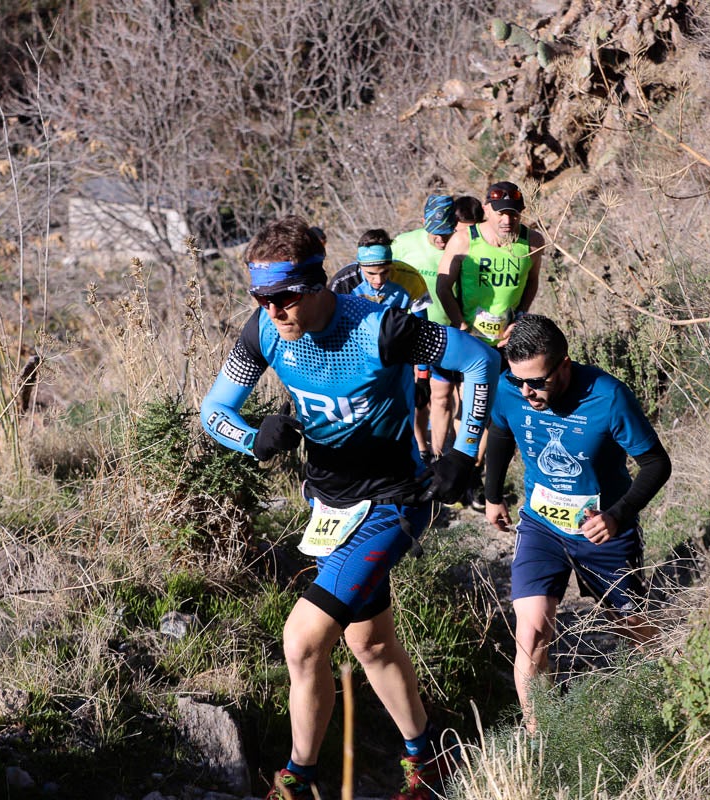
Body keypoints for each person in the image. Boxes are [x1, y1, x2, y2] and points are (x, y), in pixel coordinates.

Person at [200, 216, 499, 800]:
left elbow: (480, 362)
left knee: (304, 640)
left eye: (284, 297)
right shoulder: (262, 330)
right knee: (371, 644)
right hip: (329, 507)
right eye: (260, 297)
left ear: (316, 287)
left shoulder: (381, 327)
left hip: (392, 503)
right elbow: (215, 410)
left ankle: (297, 780)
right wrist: (252, 437)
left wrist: (463, 453)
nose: (273, 310)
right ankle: (429, 757)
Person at [482, 314, 671, 728]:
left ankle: (668, 704)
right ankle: (540, 737)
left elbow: (657, 463)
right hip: (540, 524)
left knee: (634, 629)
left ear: (564, 364)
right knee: (530, 637)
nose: (528, 393)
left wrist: (618, 515)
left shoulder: (607, 396)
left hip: (603, 529)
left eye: (539, 382)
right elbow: (500, 433)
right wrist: (493, 495)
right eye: (519, 382)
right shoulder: (510, 387)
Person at [437, 181, 545, 510]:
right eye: (500, 214)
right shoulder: (464, 240)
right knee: (469, 406)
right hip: (470, 339)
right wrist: (461, 324)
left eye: (513, 214)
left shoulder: (533, 242)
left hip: (506, 339)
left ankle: (474, 472)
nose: (507, 220)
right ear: (486, 210)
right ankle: (456, 469)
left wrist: (521, 318)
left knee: (492, 410)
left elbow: (533, 281)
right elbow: (444, 286)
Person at [330, 230, 435, 452]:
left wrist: (423, 376)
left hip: (397, 360)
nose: (378, 280)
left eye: (385, 272)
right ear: (360, 266)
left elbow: (421, 330)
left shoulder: (410, 277)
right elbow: (329, 332)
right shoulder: (343, 282)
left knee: (401, 416)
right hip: (356, 362)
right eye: (371, 274)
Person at [392, 196, 458, 461]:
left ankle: (437, 457)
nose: (441, 241)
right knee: (415, 397)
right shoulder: (403, 244)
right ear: (423, 224)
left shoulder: (462, 244)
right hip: (406, 332)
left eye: (446, 233)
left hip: (445, 333)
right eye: (435, 234)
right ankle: (419, 450)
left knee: (441, 397)